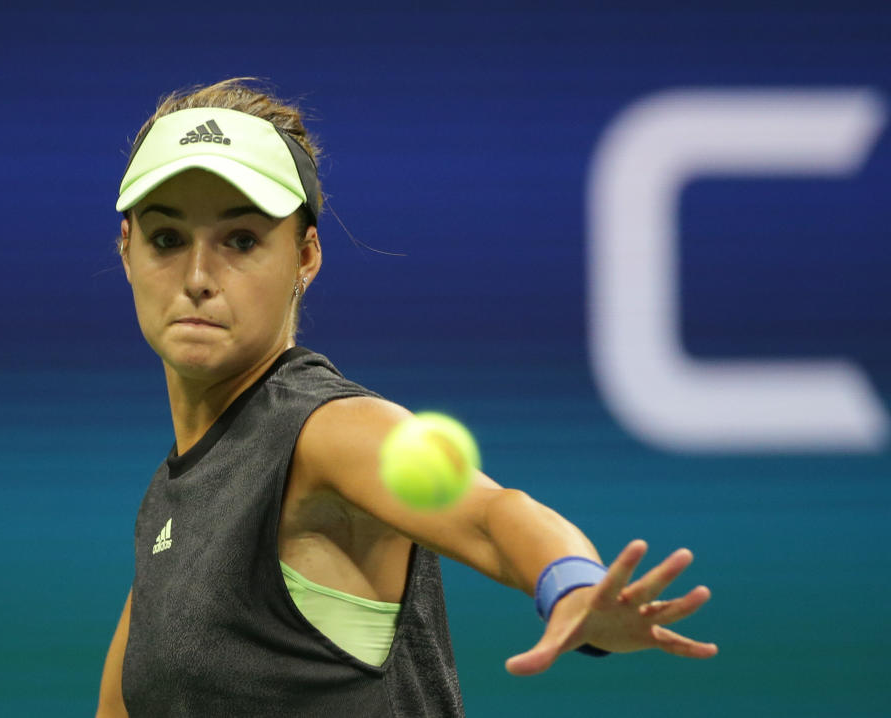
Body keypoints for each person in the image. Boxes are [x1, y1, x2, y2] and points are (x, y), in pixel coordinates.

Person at [96, 78, 717, 718]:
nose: (198, 278)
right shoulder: (170, 506)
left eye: (242, 240)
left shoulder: (328, 432)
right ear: (126, 251)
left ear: (305, 256)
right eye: (167, 239)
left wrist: (570, 584)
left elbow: (490, 513)